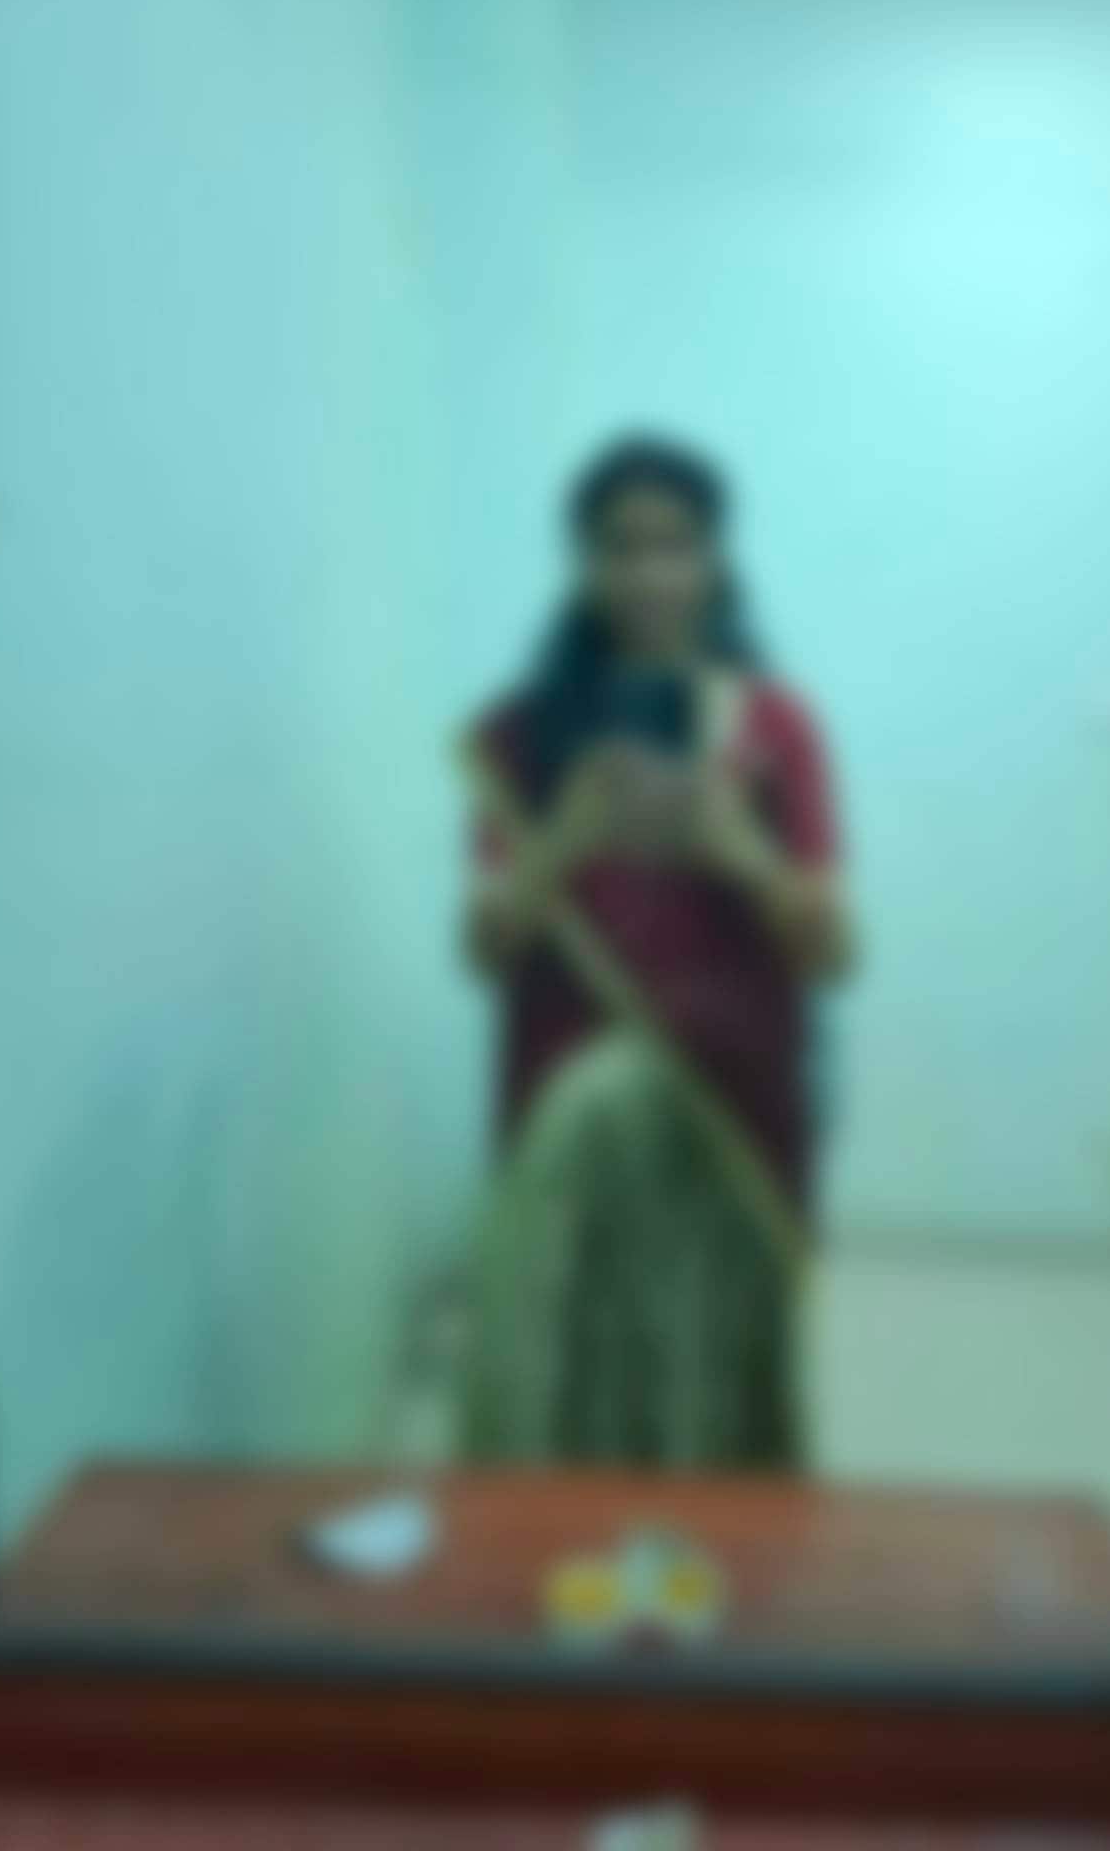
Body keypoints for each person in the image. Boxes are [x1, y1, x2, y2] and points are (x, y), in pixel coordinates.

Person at [457, 435, 852, 1470]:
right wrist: (564, 835)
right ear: (583, 565)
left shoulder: (777, 728)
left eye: (675, 545)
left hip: (731, 1105)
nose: (648, 574)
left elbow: (834, 955)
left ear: (716, 560)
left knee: (710, 1380)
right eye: (619, 547)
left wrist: (745, 853)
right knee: (560, 1377)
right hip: (567, 1117)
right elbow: (485, 952)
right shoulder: (519, 735)